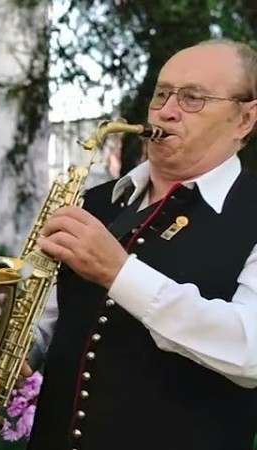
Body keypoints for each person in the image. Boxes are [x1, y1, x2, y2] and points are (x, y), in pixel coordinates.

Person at [24, 38, 257, 450]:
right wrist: (9, 352)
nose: (167, 110)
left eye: (192, 98)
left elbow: (248, 351)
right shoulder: (95, 201)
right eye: (162, 94)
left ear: (245, 119)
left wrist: (120, 273)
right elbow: (51, 321)